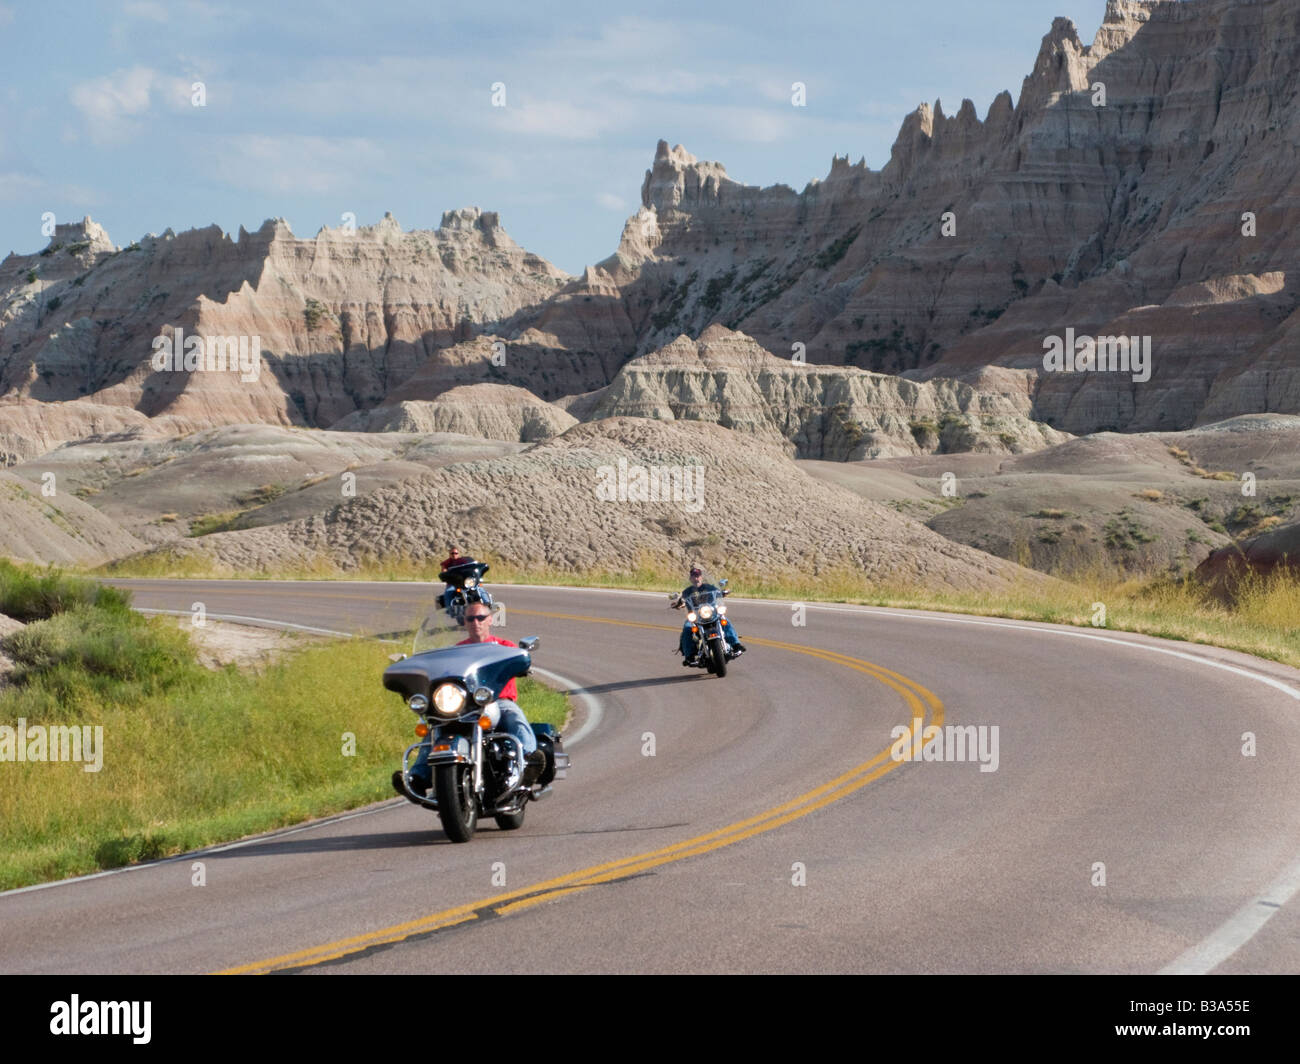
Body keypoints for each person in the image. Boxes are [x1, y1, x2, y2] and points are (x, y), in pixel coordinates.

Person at [395, 593, 545, 800]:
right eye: (470, 619)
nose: (476, 623)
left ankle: (529, 762)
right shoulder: (457, 651)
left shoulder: (504, 647)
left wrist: (522, 665)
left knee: (514, 718)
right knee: (434, 730)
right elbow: (443, 675)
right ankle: (417, 779)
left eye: (481, 618)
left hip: (497, 702)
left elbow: (521, 660)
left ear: (490, 619)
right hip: (463, 706)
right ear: (464, 622)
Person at [672, 565, 745, 666]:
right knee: (687, 628)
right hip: (696, 617)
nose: (696, 578)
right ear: (690, 578)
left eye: (697, 576)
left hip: (712, 613)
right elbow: (682, 600)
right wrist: (678, 603)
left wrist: (724, 592)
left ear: (701, 577)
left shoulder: (709, 587)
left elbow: (718, 593)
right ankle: (690, 656)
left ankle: (736, 645)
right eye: (693, 576)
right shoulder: (687, 592)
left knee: (725, 621)